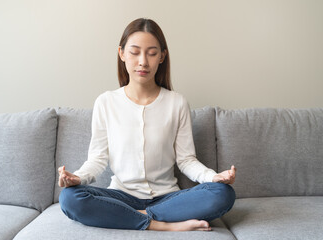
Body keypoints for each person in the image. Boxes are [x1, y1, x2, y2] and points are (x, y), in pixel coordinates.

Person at [58, 18, 236, 231]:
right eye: (135, 52)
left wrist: (213, 177)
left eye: (151, 53)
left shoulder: (177, 102)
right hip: (122, 196)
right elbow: (97, 159)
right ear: (122, 53)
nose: (143, 61)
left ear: (162, 56)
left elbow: (186, 160)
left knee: (222, 194)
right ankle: (165, 225)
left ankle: (133, 218)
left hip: (168, 197)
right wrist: (77, 178)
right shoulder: (106, 102)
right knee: (69, 198)